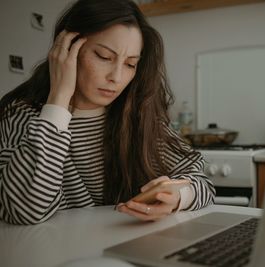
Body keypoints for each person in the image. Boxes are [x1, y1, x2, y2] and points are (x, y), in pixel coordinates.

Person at [0, 0, 215, 225]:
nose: (117, 77)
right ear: (65, 50)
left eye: (130, 64)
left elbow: (203, 183)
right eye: (104, 57)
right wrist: (58, 100)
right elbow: (25, 211)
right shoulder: (22, 117)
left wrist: (178, 197)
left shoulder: (140, 117)